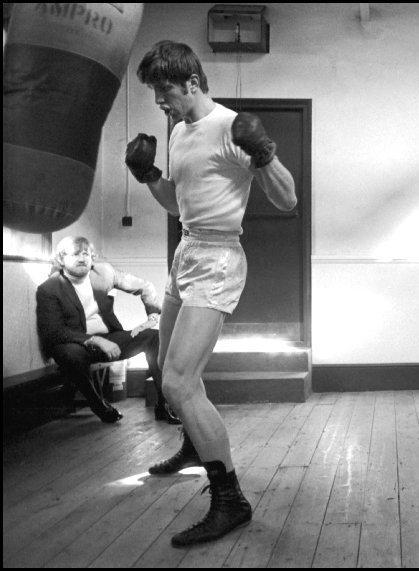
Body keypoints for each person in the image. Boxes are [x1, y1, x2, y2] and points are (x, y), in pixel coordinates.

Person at [126, 40, 297, 547]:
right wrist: (149, 174)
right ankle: (193, 443)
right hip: (186, 251)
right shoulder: (179, 131)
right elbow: (178, 206)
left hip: (219, 258)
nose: (160, 101)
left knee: (179, 384)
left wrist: (264, 152)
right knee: (168, 365)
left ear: (192, 83)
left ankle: (230, 500)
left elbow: (286, 199)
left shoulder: (229, 127)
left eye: (164, 91)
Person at [36, 236, 179, 425]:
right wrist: (95, 340)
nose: (82, 258)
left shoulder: (103, 273)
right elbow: (54, 331)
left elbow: (145, 286)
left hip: (110, 337)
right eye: (75, 254)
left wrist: (152, 314)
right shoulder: (49, 288)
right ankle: (99, 405)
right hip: (76, 344)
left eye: (85, 253)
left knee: (154, 338)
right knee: (70, 354)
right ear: (62, 260)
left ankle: (165, 405)